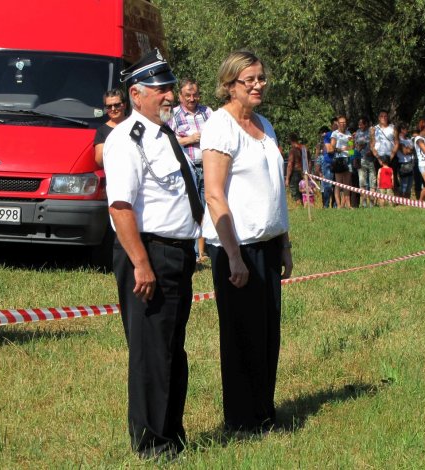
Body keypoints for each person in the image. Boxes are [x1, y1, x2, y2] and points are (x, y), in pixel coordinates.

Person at [103, 49, 203, 461]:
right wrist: (142, 264)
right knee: (151, 354)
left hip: (176, 256)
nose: (170, 96)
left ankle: (172, 435)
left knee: (172, 349)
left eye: (170, 88)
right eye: (161, 89)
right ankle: (152, 446)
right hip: (149, 255)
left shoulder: (163, 135)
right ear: (136, 94)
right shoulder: (126, 139)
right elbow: (120, 207)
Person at [201, 50, 293, 434]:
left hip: (268, 245)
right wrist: (234, 256)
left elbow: (275, 190)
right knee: (242, 336)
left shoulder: (265, 125)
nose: (258, 85)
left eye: (261, 78)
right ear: (229, 85)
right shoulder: (219, 127)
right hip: (236, 248)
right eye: (249, 80)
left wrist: (284, 244)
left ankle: (264, 412)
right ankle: (241, 421)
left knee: (267, 333)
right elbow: (214, 194)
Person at [168, 78, 213, 262]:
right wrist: (190, 139)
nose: (192, 99)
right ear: (180, 96)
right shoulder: (172, 115)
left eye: (195, 95)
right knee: (192, 208)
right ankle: (194, 251)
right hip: (187, 168)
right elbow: (168, 141)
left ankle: (208, 248)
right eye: (188, 95)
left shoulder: (208, 112)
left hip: (209, 167)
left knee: (210, 206)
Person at [94, 88, 127, 167]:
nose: (113, 109)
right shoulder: (102, 130)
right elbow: (99, 161)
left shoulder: (135, 124)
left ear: (125, 105)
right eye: (109, 106)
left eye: (117, 105)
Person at [330, 115, 352, 208]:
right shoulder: (334, 134)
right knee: (338, 183)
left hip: (348, 158)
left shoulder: (349, 133)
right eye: (341, 122)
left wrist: (349, 150)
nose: (343, 124)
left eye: (344, 122)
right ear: (338, 124)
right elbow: (332, 147)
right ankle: (339, 205)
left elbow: (351, 148)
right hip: (338, 159)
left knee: (347, 183)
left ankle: (348, 204)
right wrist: (342, 149)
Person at [354, 117, 373, 207]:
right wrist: (353, 156)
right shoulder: (357, 133)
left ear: (366, 124)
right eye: (359, 124)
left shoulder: (371, 132)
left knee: (372, 182)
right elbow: (353, 147)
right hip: (361, 160)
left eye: (361, 124)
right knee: (362, 182)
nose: (359, 126)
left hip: (371, 160)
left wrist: (372, 151)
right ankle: (364, 203)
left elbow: (376, 144)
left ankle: (372, 203)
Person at [285, 133, 308, 206]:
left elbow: (290, 165)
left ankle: (299, 208)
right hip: (304, 172)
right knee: (304, 193)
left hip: (295, 173)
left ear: (290, 140)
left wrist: (287, 178)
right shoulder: (304, 149)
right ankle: (304, 207)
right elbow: (309, 162)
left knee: (296, 195)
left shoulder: (293, 150)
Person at [314, 125, 334, 208]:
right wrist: (317, 171)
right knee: (324, 186)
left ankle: (335, 205)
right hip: (324, 164)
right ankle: (325, 205)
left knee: (330, 186)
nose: (321, 135)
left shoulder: (330, 139)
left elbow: (350, 150)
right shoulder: (321, 142)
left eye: (322, 133)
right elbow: (317, 157)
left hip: (330, 162)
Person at [396, 123, 414, 199]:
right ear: (402, 130)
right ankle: (401, 200)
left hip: (411, 162)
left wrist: (409, 149)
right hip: (403, 163)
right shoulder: (399, 140)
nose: (407, 130)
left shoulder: (409, 139)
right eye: (406, 129)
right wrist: (408, 149)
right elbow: (405, 152)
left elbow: (412, 150)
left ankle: (407, 201)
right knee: (404, 184)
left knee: (409, 184)